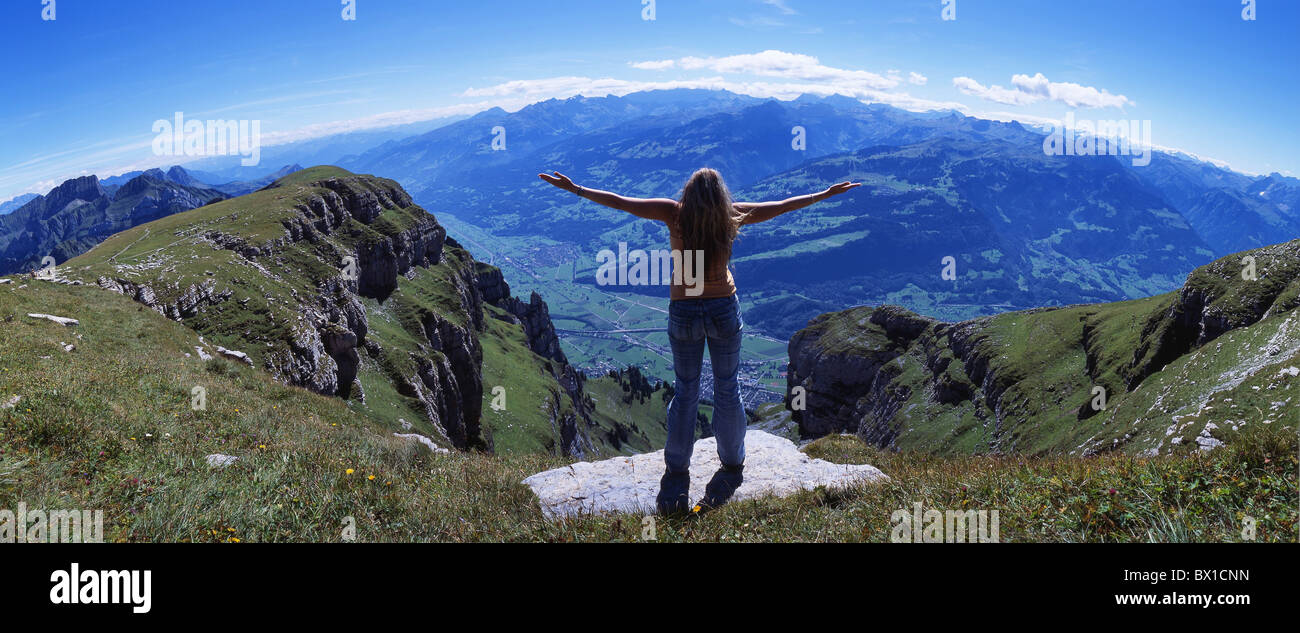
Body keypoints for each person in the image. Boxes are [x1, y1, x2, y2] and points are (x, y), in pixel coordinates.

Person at [539, 168, 860, 514]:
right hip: (723, 308)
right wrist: (823, 194)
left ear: (688, 193)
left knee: (686, 391)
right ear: (720, 194)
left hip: (685, 310)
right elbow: (780, 206)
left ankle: (677, 469)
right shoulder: (731, 214)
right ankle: (733, 462)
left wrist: (577, 189)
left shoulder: (673, 212)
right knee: (728, 388)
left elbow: (622, 203)